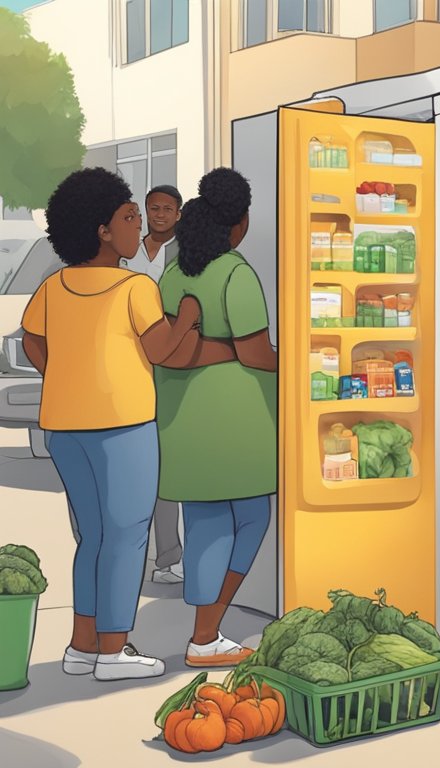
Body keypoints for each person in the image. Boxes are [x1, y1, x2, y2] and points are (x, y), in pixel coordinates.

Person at [22, 168, 200, 681]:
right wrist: (186, 317)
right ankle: (114, 652)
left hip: (65, 429)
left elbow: (33, 339)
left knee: (94, 538)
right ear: (102, 230)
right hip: (123, 426)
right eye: (129, 218)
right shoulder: (135, 286)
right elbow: (161, 350)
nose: (137, 227)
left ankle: (82, 645)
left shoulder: (55, 285)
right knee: (127, 537)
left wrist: (60, 375)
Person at [155, 168, 277, 668]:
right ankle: (206, 635)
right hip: (235, 419)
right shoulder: (235, 273)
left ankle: (207, 631)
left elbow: (170, 346)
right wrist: (299, 357)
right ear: (239, 224)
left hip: (182, 418)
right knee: (251, 517)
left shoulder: (173, 273)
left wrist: (209, 346)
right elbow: (256, 354)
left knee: (205, 521)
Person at [119, 184, 188, 586]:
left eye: (167, 209)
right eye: (153, 209)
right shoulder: (127, 250)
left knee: (164, 463)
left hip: (167, 360)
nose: (159, 215)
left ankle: (168, 557)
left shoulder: (185, 253)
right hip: (128, 360)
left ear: (178, 214)